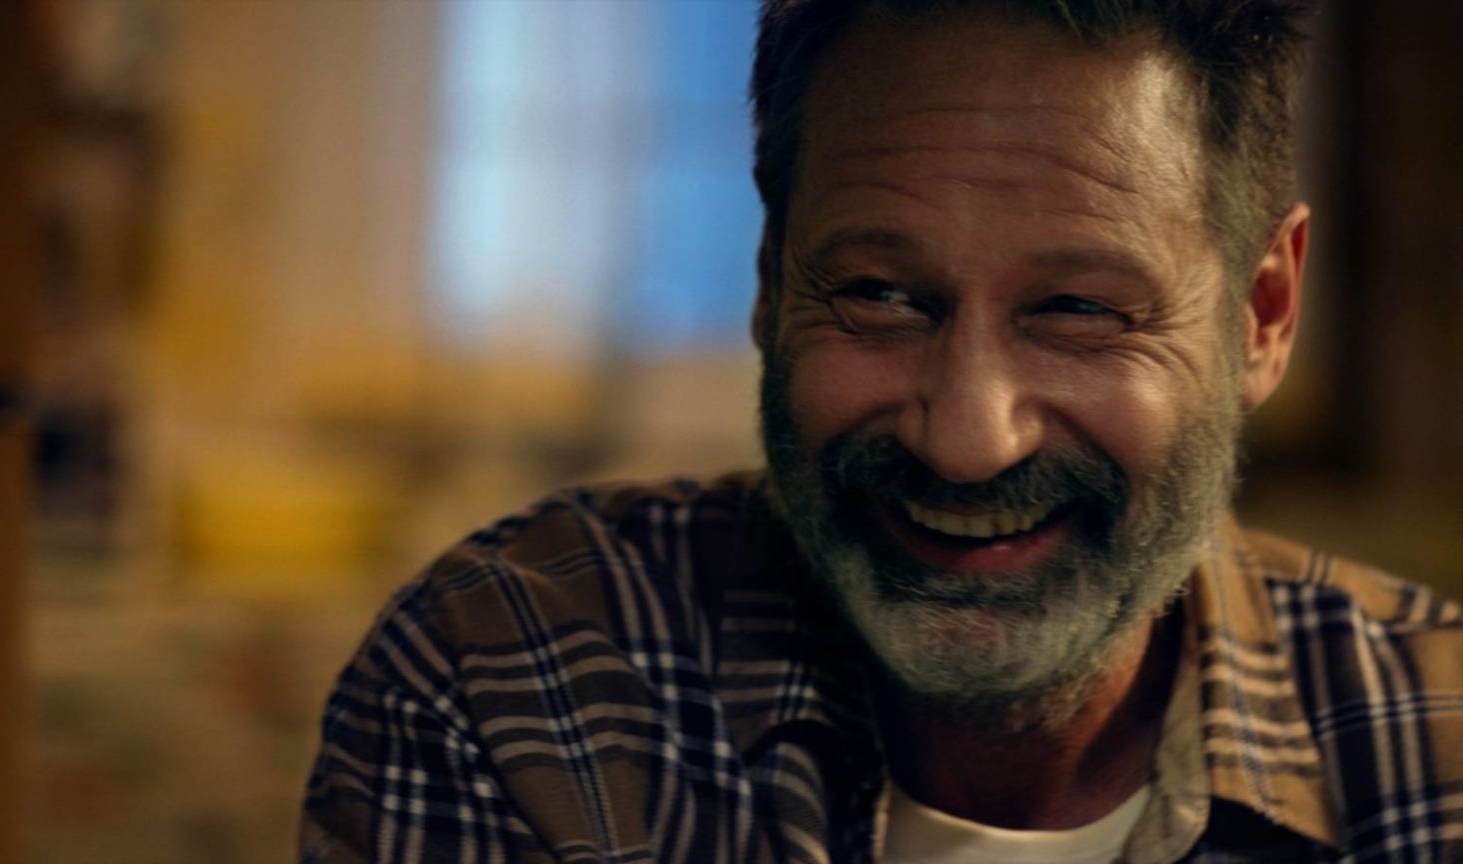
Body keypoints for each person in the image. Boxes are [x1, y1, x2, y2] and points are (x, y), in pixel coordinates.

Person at [301, 1, 1463, 861]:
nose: (968, 442)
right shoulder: (519, 681)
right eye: (880, 296)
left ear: (1263, 315)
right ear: (771, 281)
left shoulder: (1436, 755)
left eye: (1078, 310)